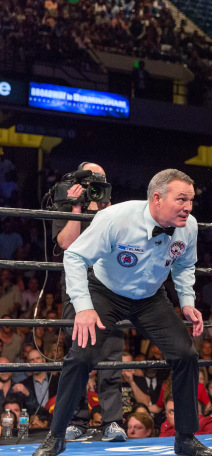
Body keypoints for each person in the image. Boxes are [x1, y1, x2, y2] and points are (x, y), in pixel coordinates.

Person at [32, 169, 212, 456]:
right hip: (106, 292)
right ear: (157, 198)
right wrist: (84, 308)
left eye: (191, 200)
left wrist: (188, 301)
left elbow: (184, 265)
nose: (188, 207)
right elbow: (75, 255)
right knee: (81, 357)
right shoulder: (116, 218)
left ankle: (185, 438)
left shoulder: (188, 225)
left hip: (151, 296)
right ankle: (55, 437)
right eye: (182, 200)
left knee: (186, 354)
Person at [51, 162, 128, 443]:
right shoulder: (65, 204)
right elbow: (67, 243)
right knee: (79, 353)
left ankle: (112, 422)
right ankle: (78, 420)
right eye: (90, 177)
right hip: (77, 286)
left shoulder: (115, 211)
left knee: (111, 355)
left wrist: (100, 209)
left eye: (101, 178)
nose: (95, 182)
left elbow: (117, 245)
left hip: (110, 286)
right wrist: (77, 209)